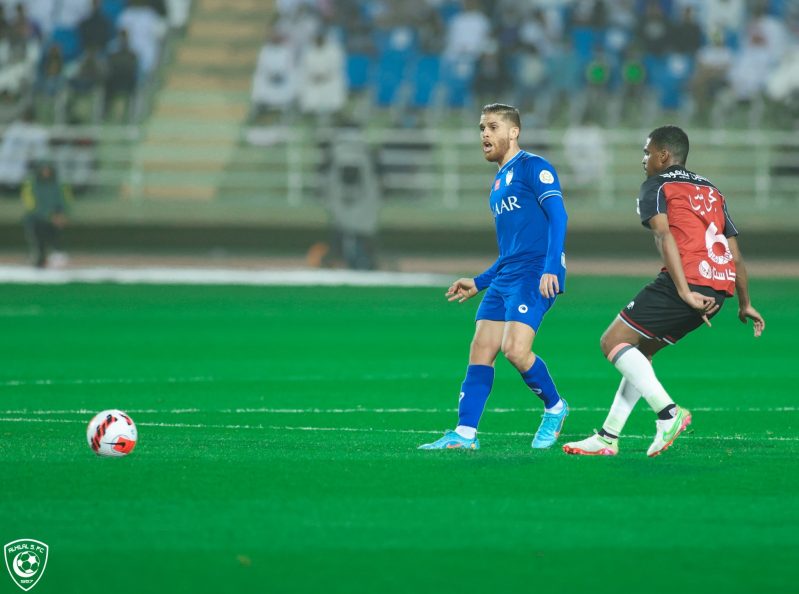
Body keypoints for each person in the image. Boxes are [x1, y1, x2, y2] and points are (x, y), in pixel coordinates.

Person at [563, 125, 765, 458]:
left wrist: (684, 291)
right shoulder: (713, 191)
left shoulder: (656, 186)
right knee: (638, 354)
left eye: (646, 152)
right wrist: (745, 303)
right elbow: (735, 254)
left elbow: (663, 237)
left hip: (685, 284)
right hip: (717, 291)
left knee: (612, 342)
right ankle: (608, 437)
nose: (643, 159)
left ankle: (668, 413)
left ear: (663, 155)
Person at [419, 103, 569, 451]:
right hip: (507, 276)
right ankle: (465, 434)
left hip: (535, 274)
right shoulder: (498, 183)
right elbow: (510, 250)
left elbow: (559, 217)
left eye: (492, 127)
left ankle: (556, 408)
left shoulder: (535, 168)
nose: (485, 134)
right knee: (481, 348)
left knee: (515, 351)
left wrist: (551, 266)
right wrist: (480, 280)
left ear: (513, 132)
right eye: (482, 128)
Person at [22, 160, 71, 268]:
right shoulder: (31, 184)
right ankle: (39, 255)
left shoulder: (60, 184)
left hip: (57, 218)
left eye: (48, 169)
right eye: (43, 169)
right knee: (35, 225)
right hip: (38, 219)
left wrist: (62, 214)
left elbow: (65, 201)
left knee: (56, 229)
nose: (46, 172)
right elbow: (31, 205)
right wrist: (50, 216)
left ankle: (57, 253)